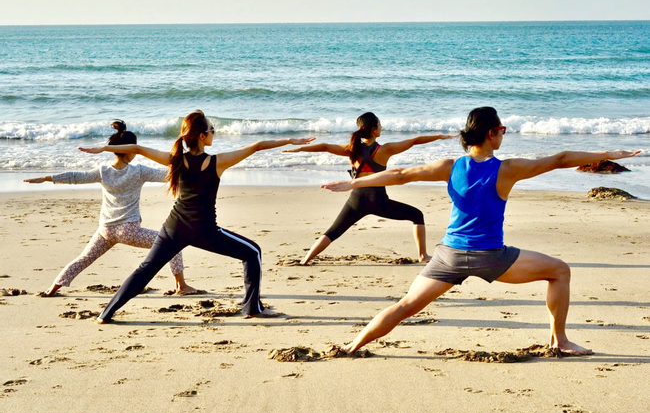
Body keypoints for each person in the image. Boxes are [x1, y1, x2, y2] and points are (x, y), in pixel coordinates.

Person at [322, 106, 640, 355]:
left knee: (405, 306)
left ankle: (352, 346)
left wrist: (353, 182)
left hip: (448, 257)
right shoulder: (508, 168)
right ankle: (561, 341)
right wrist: (609, 154)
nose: (503, 134)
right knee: (559, 271)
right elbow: (559, 159)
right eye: (501, 129)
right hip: (492, 257)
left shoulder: (450, 166)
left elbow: (403, 174)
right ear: (491, 134)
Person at [79, 110, 315, 322]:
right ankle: (253, 309)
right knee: (252, 253)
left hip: (174, 228)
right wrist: (289, 139)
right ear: (202, 136)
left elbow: (138, 149)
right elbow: (256, 146)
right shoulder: (217, 162)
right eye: (212, 130)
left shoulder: (176, 160)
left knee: (145, 270)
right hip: (204, 231)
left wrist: (105, 149)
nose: (214, 133)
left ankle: (105, 313)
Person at [24, 120, 197, 296]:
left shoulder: (103, 171)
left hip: (105, 230)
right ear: (131, 149)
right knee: (172, 244)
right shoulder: (138, 171)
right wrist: (189, 163)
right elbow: (168, 175)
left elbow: (76, 177)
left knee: (83, 259)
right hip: (128, 230)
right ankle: (181, 286)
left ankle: (52, 288)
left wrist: (46, 178)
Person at [283, 111, 456, 265]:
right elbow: (415, 141)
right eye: (379, 124)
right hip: (379, 201)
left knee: (333, 231)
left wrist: (299, 149)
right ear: (374, 130)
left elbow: (325, 147)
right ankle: (422, 255)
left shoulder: (352, 149)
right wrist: (441, 136)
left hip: (356, 200)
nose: (381, 127)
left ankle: (306, 259)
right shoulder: (386, 149)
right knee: (416, 215)